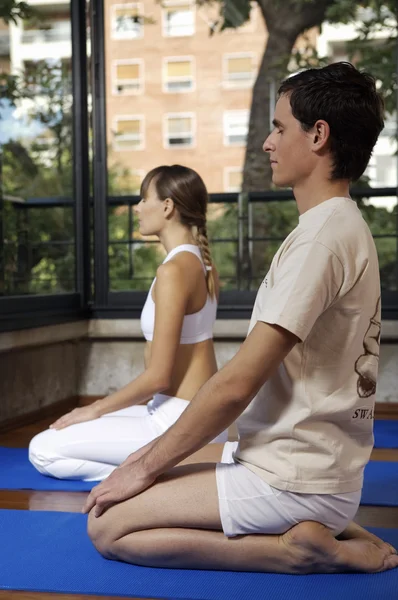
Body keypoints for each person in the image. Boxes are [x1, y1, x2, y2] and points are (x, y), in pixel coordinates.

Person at [84, 62, 398, 575]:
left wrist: (140, 469)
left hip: (292, 480)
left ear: (318, 135)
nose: (267, 144)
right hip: (308, 472)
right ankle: (332, 523)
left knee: (108, 526)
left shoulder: (320, 239)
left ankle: (296, 552)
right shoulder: (340, 226)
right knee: (143, 473)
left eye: (278, 128)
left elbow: (235, 386)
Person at [29, 164, 228, 481]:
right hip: (187, 415)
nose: (137, 208)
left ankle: (153, 473)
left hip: (178, 422)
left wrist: (94, 408)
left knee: (42, 449)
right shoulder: (204, 265)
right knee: (71, 428)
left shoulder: (174, 271)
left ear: (167, 206)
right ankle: (161, 469)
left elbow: (159, 377)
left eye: (143, 198)